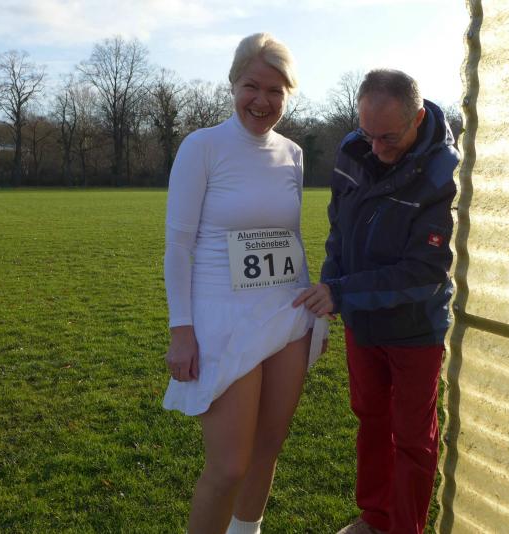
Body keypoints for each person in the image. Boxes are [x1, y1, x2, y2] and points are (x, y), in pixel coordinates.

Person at [162, 32, 324, 534]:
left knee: (267, 448)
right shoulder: (202, 147)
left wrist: (313, 314)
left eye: (275, 90)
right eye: (252, 86)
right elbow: (178, 247)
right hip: (223, 318)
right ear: (233, 84)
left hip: (287, 314)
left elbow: (290, 238)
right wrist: (181, 330)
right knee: (229, 465)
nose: (262, 100)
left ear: (287, 94)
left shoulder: (293, 154)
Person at [293, 69, 459, 534]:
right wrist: (329, 292)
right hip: (362, 324)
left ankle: (405, 527)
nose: (377, 148)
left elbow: (424, 274)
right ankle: (375, 518)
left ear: (418, 119)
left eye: (389, 137)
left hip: (415, 329)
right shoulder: (353, 151)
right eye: (368, 134)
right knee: (370, 419)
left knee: (412, 438)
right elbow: (339, 233)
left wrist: (341, 292)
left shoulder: (445, 174)